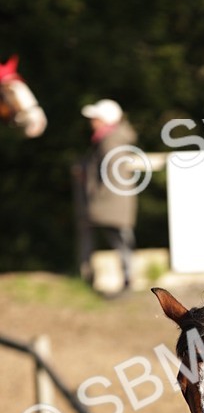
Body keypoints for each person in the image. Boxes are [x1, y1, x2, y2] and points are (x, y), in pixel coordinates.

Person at [76, 98, 138, 295]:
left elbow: (112, 173)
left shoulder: (110, 141)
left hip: (108, 201)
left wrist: (96, 198)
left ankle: (124, 282)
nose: (91, 122)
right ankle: (123, 281)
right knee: (120, 241)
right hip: (112, 200)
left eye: (95, 118)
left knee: (120, 241)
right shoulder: (109, 139)